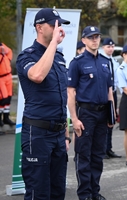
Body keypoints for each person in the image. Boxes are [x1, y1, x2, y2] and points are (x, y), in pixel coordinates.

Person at [16, 8, 70, 200]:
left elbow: (62, 98)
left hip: (58, 135)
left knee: (57, 192)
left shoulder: (58, 57)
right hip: (37, 134)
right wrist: (54, 43)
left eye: (60, 25)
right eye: (54, 25)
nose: (59, 29)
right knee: (38, 192)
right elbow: (37, 75)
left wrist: (66, 135)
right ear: (39, 27)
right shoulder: (27, 56)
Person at [68, 26, 112, 200]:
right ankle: (84, 194)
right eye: (91, 37)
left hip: (102, 114)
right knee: (83, 155)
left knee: (97, 155)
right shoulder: (77, 62)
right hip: (85, 113)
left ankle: (95, 192)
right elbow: (70, 93)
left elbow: (110, 91)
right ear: (84, 40)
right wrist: (74, 119)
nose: (95, 40)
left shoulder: (105, 62)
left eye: (97, 37)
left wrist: (111, 114)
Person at [99, 38, 122, 159]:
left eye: (112, 47)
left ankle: (109, 148)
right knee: (103, 122)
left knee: (111, 121)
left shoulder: (114, 61)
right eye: (108, 46)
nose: (111, 49)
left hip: (112, 92)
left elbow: (117, 79)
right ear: (103, 47)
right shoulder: (101, 60)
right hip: (104, 94)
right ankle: (102, 149)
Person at [0, 42, 16, 128]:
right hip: (1, 78)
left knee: (8, 98)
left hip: (8, 76)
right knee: (3, 98)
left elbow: (9, 50)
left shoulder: (2, 46)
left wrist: (3, 49)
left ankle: (6, 118)